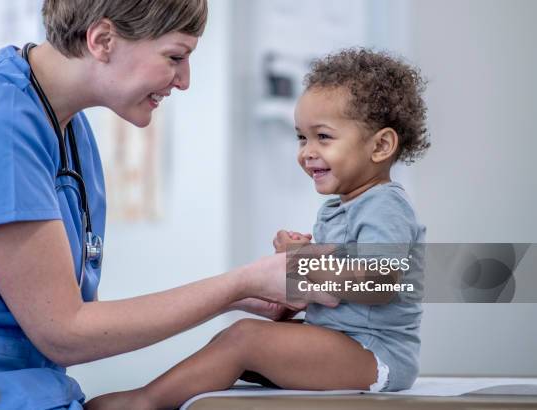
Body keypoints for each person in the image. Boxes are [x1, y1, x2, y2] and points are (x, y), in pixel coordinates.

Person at [0, 1, 339, 408]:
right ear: (103, 39)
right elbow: (64, 332)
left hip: (23, 387)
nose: (184, 81)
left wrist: (239, 296)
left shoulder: (68, 130)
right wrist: (240, 283)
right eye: (176, 56)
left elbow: (78, 320)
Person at [85, 48, 431, 409]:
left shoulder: (385, 204)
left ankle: (147, 402)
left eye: (323, 137)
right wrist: (291, 289)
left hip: (376, 352)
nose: (307, 152)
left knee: (245, 340)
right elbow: (336, 294)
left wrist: (304, 260)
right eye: (301, 137)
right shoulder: (338, 208)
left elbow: (380, 280)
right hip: (344, 338)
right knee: (237, 339)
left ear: (381, 146)